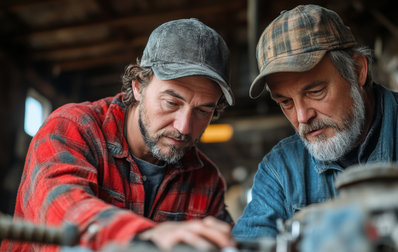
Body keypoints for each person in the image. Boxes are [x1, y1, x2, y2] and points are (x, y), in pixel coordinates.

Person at [2, 18, 236, 251]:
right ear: (138, 86)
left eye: (203, 110)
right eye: (171, 102)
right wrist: (148, 235)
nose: (184, 127)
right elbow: (63, 211)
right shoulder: (71, 128)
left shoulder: (207, 180)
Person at [232, 4, 398, 240]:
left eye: (315, 91)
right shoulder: (279, 172)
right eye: (286, 102)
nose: (303, 117)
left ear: (358, 71)